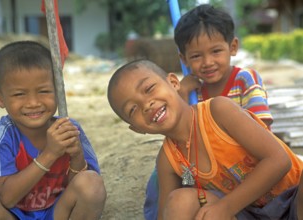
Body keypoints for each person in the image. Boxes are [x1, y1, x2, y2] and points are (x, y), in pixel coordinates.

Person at [107, 59, 303, 220]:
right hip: (247, 213)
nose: (146, 104)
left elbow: (279, 160)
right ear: (137, 129)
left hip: (293, 198)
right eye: (132, 109)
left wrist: (226, 207)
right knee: (180, 201)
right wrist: (222, 209)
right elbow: (165, 214)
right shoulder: (168, 160)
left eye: (149, 88)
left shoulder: (218, 111)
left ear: (174, 83)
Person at [145, 4, 274, 219]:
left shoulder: (244, 80)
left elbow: (262, 129)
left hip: (246, 170)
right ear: (183, 59)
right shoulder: (193, 91)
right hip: (210, 176)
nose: (207, 62)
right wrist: (182, 96)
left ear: (232, 47)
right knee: (160, 177)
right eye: (196, 56)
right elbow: (179, 139)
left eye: (216, 51)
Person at [0, 41, 106, 220]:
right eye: (19, 94)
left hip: (57, 214)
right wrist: (50, 153)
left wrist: (76, 157)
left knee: (91, 182)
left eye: (44, 91)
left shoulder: (68, 129)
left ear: (58, 90)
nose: (33, 103)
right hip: (10, 215)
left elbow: (82, 190)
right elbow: (7, 198)